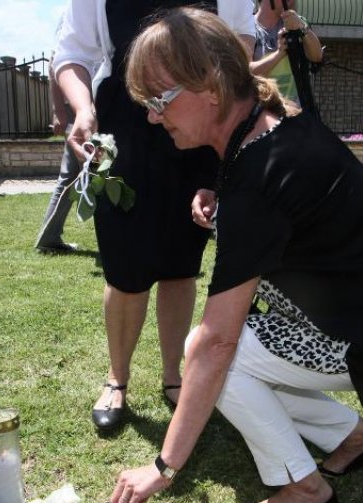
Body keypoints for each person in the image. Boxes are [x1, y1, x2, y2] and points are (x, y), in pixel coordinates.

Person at [109, 8, 363, 503]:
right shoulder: (274, 129)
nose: (154, 117)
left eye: (159, 100)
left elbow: (216, 344)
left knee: (220, 353)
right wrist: (218, 193)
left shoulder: (259, 177)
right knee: (235, 351)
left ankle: (302, 487)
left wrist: (163, 466)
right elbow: (284, 210)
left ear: (211, 89)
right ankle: (351, 439)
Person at [53, 0, 256, 432]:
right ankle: (117, 379)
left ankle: (172, 377)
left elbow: (240, 43)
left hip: (200, 124)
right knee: (125, 267)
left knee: (182, 264)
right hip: (125, 128)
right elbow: (73, 53)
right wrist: (83, 109)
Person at [35, 22, 79, 254]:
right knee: (83, 173)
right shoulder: (69, 36)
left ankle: (49, 237)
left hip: (86, 110)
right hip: (78, 111)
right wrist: (59, 112)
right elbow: (55, 69)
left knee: (73, 175)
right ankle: (48, 238)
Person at [250, 0, 323, 105]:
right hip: (262, 115)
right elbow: (246, 75)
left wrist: (302, 27)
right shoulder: (247, 28)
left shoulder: (297, 23)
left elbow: (316, 57)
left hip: (295, 114)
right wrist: (279, 54)